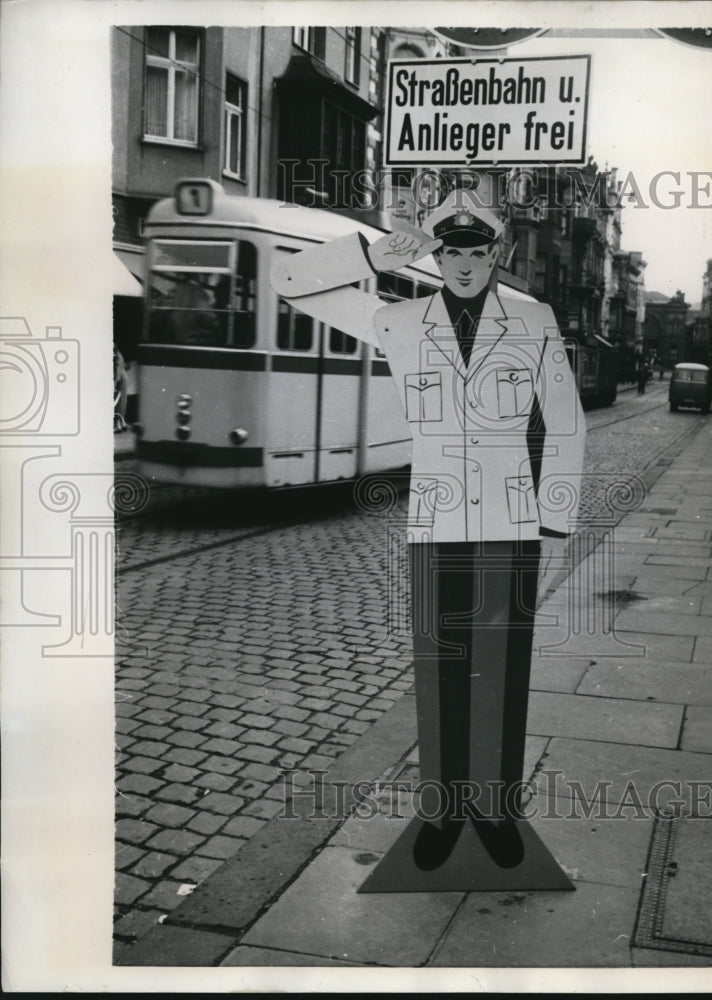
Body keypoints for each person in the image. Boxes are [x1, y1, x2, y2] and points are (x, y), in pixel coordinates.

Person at [271, 189, 586, 872]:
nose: (465, 265)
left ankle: (495, 811)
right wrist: (386, 248)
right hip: (434, 523)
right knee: (440, 670)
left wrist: (556, 520)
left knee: (501, 673)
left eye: (477, 252)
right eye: (451, 251)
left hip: (511, 523)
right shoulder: (399, 321)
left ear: (496, 254)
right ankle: (442, 813)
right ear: (436, 254)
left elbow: (564, 421)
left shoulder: (534, 321)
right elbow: (289, 283)